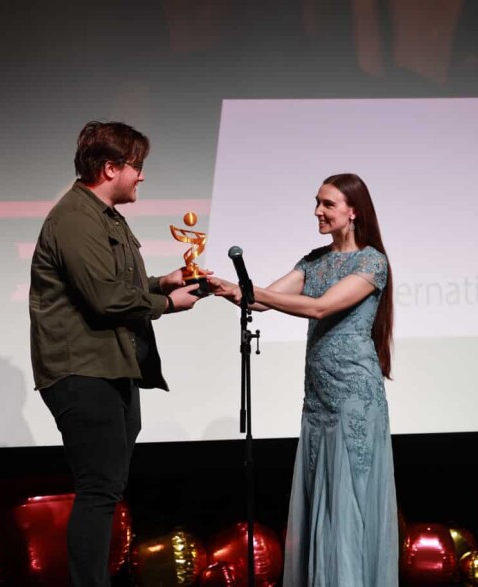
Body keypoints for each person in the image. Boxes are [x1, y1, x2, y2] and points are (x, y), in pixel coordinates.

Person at [29, 121, 202, 587]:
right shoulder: (74, 219)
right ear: (110, 169)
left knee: (107, 488)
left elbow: (114, 286)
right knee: (99, 489)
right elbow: (104, 299)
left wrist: (162, 283)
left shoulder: (105, 218)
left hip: (112, 367)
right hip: (82, 369)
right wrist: (166, 304)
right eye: (136, 166)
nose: (141, 176)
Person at [210, 173, 398, 586]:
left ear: (354, 212)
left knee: (348, 504)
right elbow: (260, 302)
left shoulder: (371, 261)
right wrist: (226, 288)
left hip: (354, 399)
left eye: (328, 204)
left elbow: (320, 308)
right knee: (322, 500)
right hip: (318, 400)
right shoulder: (313, 260)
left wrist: (251, 289)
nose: (318, 211)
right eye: (317, 202)